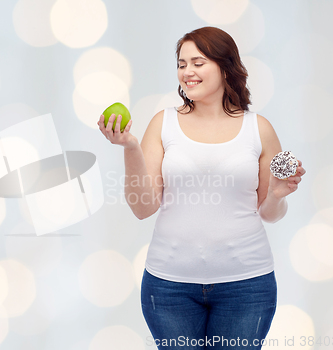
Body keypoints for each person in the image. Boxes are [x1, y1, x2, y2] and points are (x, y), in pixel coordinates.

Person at [97, 26, 306, 350]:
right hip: (168, 288)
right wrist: (130, 147)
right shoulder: (162, 123)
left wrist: (277, 194)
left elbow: (270, 213)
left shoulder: (259, 128)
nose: (187, 72)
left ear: (226, 67)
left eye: (198, 62)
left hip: (248, 287)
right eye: (182, 64)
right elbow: (142, 208)